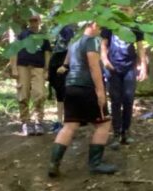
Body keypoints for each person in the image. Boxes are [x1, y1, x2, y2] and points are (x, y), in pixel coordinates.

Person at [47, 21, 118, 177]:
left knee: (70, 125)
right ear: (91, 25)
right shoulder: (91, 41)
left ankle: (54, 163)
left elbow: (67, 59)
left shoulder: (75, 41)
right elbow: (94, 67)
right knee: (104, 123)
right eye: (98, 26)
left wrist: (65, 66)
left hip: (71, 87)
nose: (100, 29)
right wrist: (100, 91)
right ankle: (95, 164)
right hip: (87, 87)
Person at [100, 13, 147, 149]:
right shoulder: (110, 24)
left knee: (128, 99)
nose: (124, 11)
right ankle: (116, 133)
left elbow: (140, 47)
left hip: (129, 67)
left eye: (127, 9)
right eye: (122, 9)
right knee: (115, 100)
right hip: (112, 67)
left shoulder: (134, 26)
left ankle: (126, 131)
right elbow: (103, 44)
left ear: (131, 10)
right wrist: (105, 60)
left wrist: (143, 65)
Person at [11, 13, 50, 136]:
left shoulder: (44, 37)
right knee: (23, 94)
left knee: (40, 93)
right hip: (23, 67)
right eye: (31, 21)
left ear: (39, 22)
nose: (33, 23)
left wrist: (47, 70)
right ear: (29, 22)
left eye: (36, 21)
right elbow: (14, 51)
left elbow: (47, 54)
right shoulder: (22, 35)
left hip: (38, 67)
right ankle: (25, 122)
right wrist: (14, 68)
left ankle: (39, 121)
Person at [47, 24, 76, 132]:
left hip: (63, 60)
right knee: (59, 92)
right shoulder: (54, 29)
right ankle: (60, 121)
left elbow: (70, 46)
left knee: (65, 92)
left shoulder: (67, 29)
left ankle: (68, 121)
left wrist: (65, 65)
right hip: (55, 61)